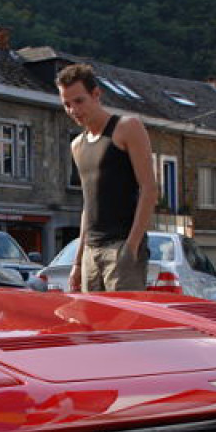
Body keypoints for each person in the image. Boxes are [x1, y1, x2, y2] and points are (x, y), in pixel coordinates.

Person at [56, 63, 158, 292]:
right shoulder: (77, 145)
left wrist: (131, 247)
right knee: (92, 325)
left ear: (96, 94)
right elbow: (88, 206)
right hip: (90, 252)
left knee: (124, 323)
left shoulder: (127, 127)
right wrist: (77, 261)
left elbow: (149, 189)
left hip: (121, 245)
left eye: (79, 101)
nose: (73, 110)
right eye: (67, 104)